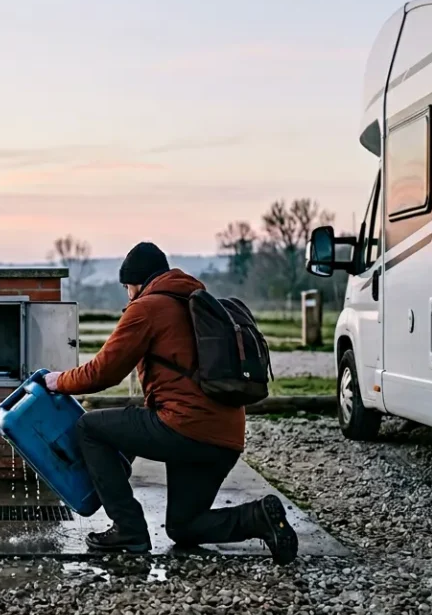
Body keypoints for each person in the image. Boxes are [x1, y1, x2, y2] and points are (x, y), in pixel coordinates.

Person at [44, 242, 298, 564]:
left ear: (136, 282)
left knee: (90, 428)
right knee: (184, 526)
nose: (127, 294)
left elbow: (102, 373)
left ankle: (128, 528)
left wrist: (57, 381)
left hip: (184, 427)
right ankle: (259, 518)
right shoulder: (195, 302)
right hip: (224, 438)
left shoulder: (148, 308)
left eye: (127, 287)